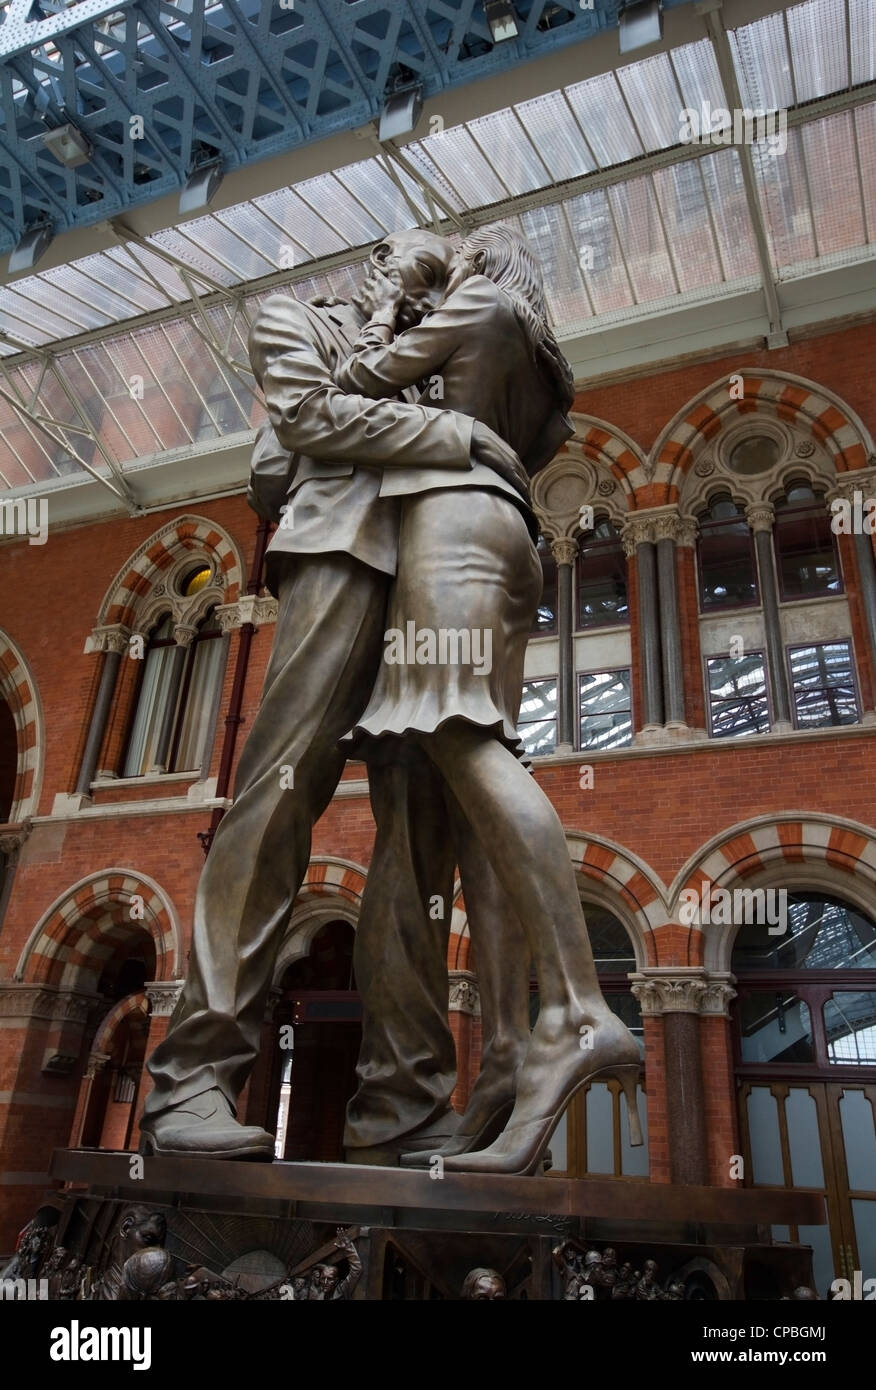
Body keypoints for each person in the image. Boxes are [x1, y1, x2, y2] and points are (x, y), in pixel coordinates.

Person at [139, 230, 527, 1160]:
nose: (421, 288)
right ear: (372, 263)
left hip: (442, 567)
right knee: (279, 790)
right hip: (343, 551)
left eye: (437, 281)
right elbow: (300, 433)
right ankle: (192, 1081)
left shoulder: (441, 347)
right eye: (410, 268)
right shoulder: (293, 321)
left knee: (422, 832)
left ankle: (402, 1105)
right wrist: (457, 436)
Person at [335, 225, 642, 1175]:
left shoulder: (477, 302)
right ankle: (508, 1044)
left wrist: (394, 304)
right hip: (515, 536)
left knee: (465, 742)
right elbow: (538, 440)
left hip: (452, 527)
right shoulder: (543, 361)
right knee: (467, 788)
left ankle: (578, 1011)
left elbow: (355, 384)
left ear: (479, 264)